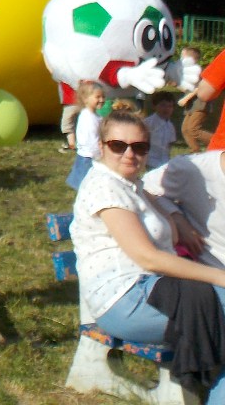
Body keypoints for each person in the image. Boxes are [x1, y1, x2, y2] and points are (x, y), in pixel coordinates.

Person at [71, 110, 225, 399]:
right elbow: (148, 258)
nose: (129, 154)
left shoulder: (132, 185)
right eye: (119, 146)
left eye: (139, 147)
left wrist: (176, 217)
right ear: (101, 146)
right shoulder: (105, 187)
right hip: (125, 301)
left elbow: (155, 196)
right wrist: (219, 276)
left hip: (153, 290)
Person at [66, 81, 105, 190]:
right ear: (85, 99)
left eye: (103, 97)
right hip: (89, 157)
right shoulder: (88, 118)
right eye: (98, 97)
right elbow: (91, 140)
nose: (102, 100)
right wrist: (100, 155)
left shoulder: (94, 116)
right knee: (87, 185)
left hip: (89, 155)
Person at [145, 91, 177, 170]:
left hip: (164, 160)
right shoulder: (148, 123)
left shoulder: (170, 126)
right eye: (163, 105)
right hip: (151, 160)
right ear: (154, 106)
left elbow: (170, 144)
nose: (166, 109)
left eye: (170, 106)